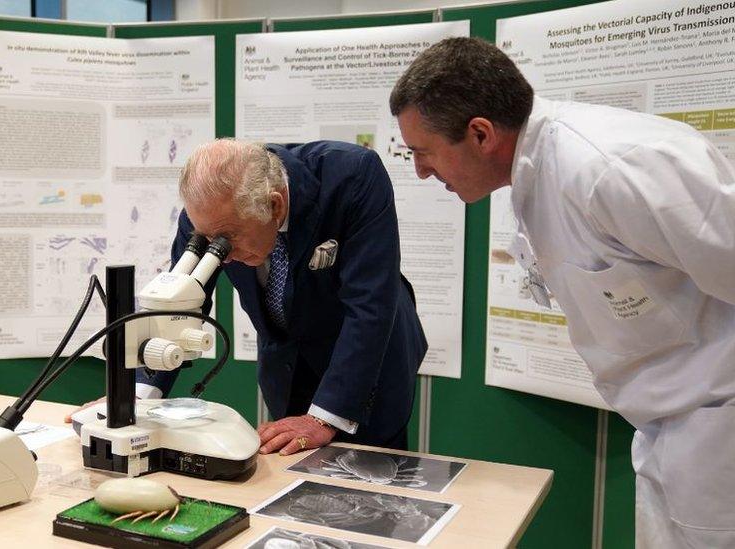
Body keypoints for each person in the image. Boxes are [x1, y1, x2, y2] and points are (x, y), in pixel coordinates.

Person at [390, 37, 735, 547]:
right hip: (670, 428)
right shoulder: (538, 173)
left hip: (719, 427)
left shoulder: (613, 166)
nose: (420, 170)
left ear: (480, 133)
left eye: (423, 152)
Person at [134, 138, 428, 456]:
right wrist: (135, 399)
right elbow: (180, 307)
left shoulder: (352, 176)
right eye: (210, 239)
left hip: (367, 372)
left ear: (275, 206)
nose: (223, 255)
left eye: (228, 239)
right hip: (289, 370)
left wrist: (324, 418)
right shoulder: (209, 216)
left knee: (371, 484)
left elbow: (369, 303)